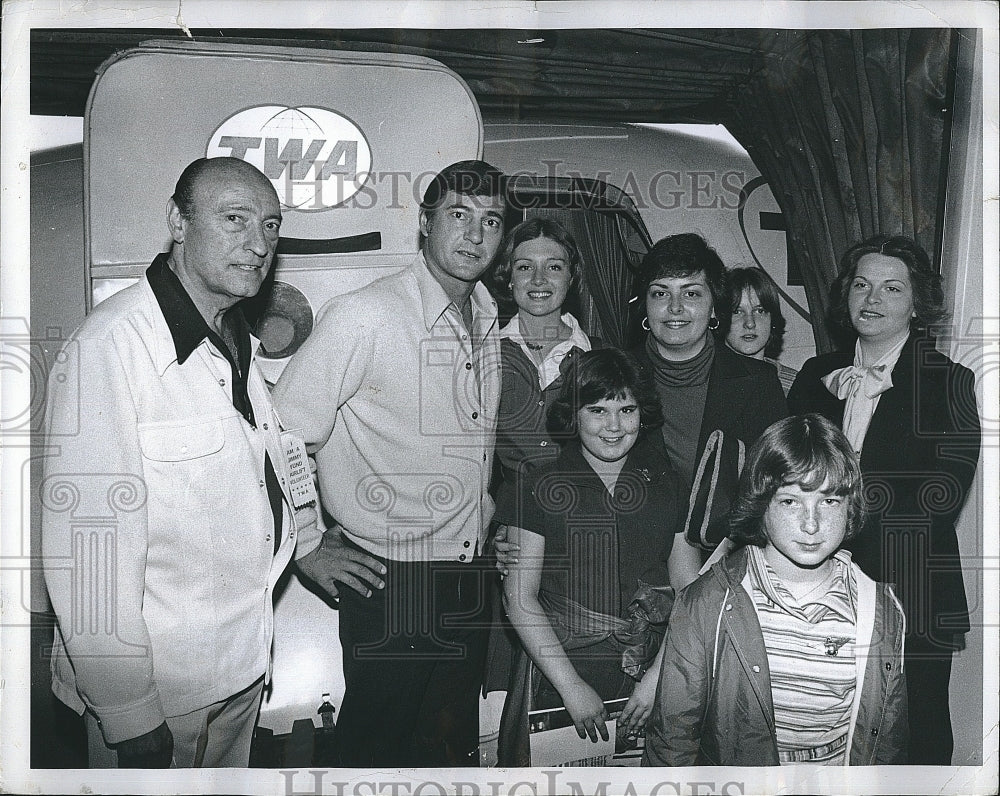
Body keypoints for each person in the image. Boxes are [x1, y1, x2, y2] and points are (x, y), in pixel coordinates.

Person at [39, 157, 377, 768]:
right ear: (177, 222)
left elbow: (270, 456)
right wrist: (127, 711)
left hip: (242, 667)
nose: (257, 244)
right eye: (234, 219)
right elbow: (88, 548)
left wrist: (307, 542)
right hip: (160, 694)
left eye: (270, 226)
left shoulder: (232, 335)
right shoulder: (110, 349)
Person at [272, 160, 507, 767]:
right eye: (458, 216)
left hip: (468, 575)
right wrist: (305, 545)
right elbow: (282, 436)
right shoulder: (364, 315)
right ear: (424, 223)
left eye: (491, 222)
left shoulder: (485, 312)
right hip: (392, 580)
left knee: (449, 752)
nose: (474, 235)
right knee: (376, 755)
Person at [787, 234, 980, 764]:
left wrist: (837, 524)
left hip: (911, 590)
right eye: (861, 285)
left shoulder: (951, 383)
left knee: (918, 737)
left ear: (918, 304)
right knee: (822, 733)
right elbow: (778, 481)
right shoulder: (812, 377)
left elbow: (939, 500)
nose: (871, 299)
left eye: (891, 288)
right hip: (810, 589)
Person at [643, 414, 908, 767]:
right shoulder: (706, 604)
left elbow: (887, 741)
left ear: (850, 506)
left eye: (829, 501)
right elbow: (672, 742)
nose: (811, 523)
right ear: (760, 504)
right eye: (790, 501)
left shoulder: (881, 611)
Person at [497, 349, 700, 765]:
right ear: (573, 414)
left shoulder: (670, 485)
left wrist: (657, 679)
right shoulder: (536, 486)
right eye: (597, 410)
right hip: (562, 672)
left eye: (626, 409)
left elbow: (689, 594)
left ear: (643, 413)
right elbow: (518, 598)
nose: (613, 426)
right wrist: (571, 686)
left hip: (656, 669)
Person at [631, 233, 787, 550]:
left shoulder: (758, 382)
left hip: (726, 556)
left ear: (714, 307)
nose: (675, 308)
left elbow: (778, 488)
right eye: (660, 294)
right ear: (645, 306)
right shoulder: (619, 374)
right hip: (634, 556)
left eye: (691, 294)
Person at [491, 218, 596, 503]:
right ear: (509, 277)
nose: (539, 279)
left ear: (571, 277)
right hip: (515, 517)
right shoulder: (485, 356)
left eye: (554, 267)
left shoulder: (597, 357)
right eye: (525, 267)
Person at [722, 265, 798, 395]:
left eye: (759, 311)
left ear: (772, 318)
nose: (750, 323)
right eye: (737, 312)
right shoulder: (705, 382)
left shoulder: (796, 385)